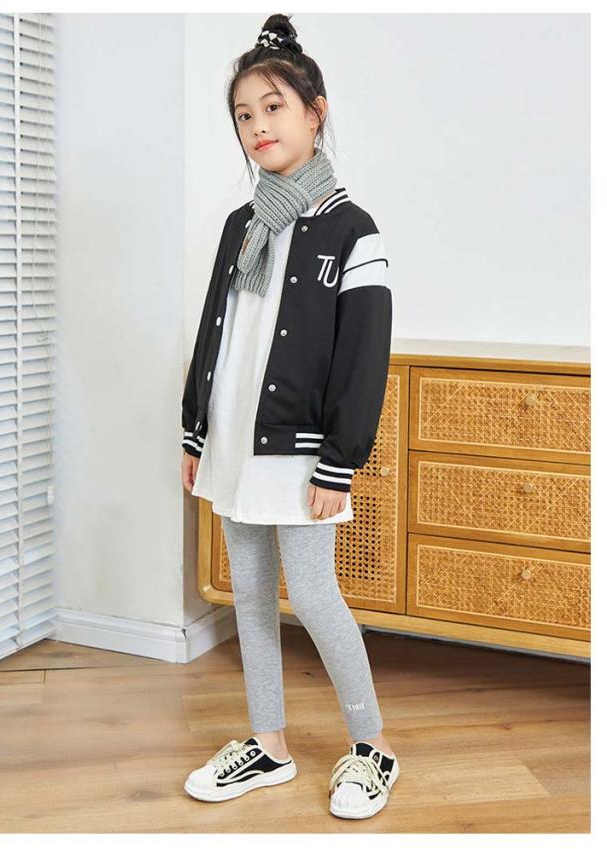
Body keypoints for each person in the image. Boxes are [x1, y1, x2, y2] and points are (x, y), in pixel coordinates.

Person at [180, 14, 398, 820]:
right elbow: (215, 332)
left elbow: (363, 357)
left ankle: (373, 746)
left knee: (312, 593)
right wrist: (195, 430)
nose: (257, 126)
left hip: (301, 450)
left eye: (273, 107)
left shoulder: (353, 229)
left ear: (315, 111)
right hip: (235, 441)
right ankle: (268, 744)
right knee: (247, 594)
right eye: (244, 114)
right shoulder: (241, 227)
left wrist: (340, 460)